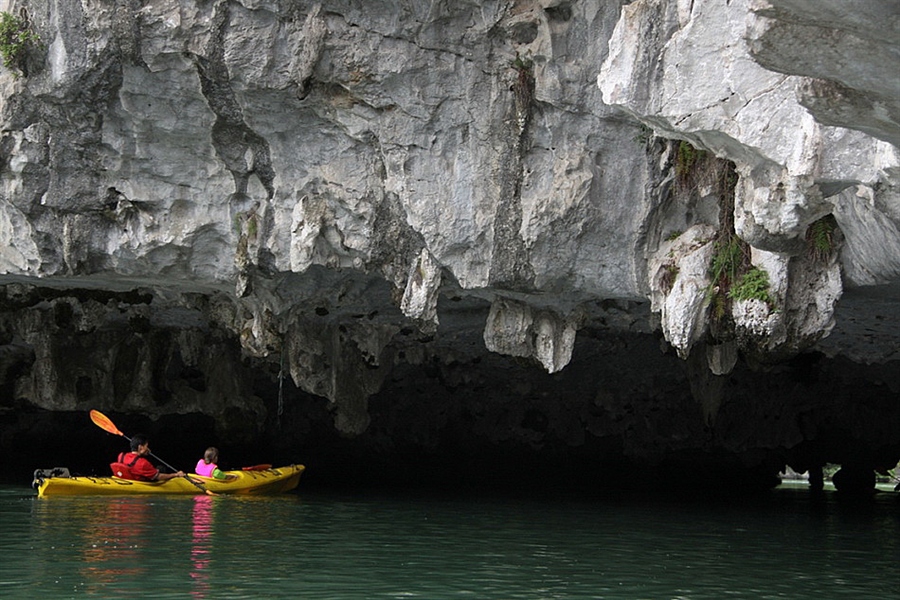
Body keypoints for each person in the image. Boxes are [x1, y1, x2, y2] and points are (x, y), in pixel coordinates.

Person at [110, 434, 185, 481]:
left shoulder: (121, 455)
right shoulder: (143, 463)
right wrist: (176, 475)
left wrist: (145, 451)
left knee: (159, 468)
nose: (148, 449)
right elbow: (158, 476)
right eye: (147, 446)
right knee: (161, 469)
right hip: (140, 482)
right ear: (140, 447)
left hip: (125, 479)